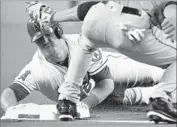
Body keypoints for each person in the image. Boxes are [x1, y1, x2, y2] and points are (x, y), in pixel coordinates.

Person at [26, 0, 177, 123]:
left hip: (97, 15)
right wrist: (172, 17)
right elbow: (170, 7)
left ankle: (67, 102)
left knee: (85, 45)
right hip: (130, 26)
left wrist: (52, 16)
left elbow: (85, 9)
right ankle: (160, 99)